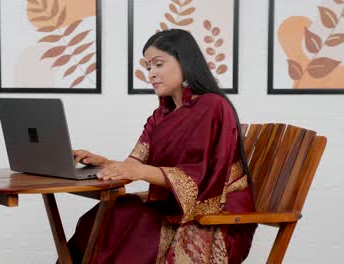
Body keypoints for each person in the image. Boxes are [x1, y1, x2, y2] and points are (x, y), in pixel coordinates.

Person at [68, 29, 256, 264]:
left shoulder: (213, 106)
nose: (151, 74)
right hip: (175, 205)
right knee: (102, 218)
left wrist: (139, 171)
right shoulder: (161, 114)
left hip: (217, 213)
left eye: (158, 64)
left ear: (184, 61)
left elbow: (200, 178)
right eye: (148, 67)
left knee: (133, 230)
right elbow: (135, 163)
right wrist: (104, 163)